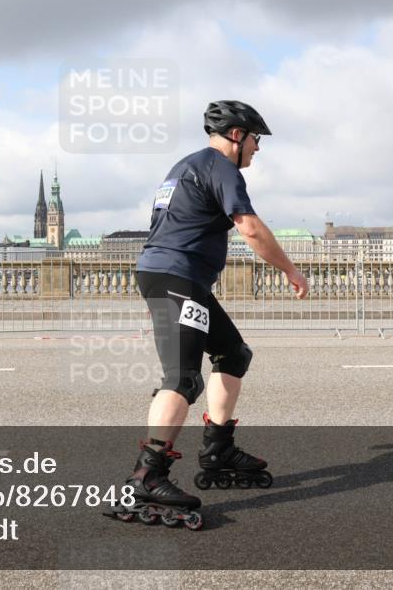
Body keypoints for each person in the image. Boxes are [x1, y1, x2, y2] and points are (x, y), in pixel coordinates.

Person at [107, 100, 309, 529]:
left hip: (178, 278)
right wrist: (290, 269)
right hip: (175, 278)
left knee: (233, 353)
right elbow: (250, 228)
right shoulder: (220, 167)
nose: (258, 148)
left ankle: (218, 449)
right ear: (237, 135)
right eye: (257, 139)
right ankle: (147, 474)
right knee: (182, 378)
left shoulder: (185, 166)